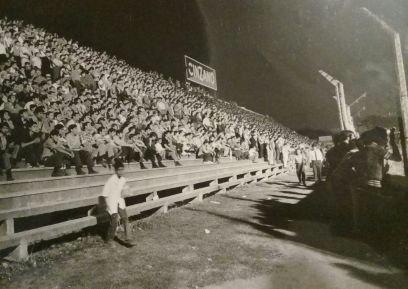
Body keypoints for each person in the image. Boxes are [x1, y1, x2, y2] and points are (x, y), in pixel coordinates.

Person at [101, 159, 136, 247]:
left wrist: (128, 191)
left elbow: (124, 190)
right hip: (111, 203)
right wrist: (108, 207)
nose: (121, 171)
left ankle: (129, 239)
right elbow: (104, 195)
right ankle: (108, 240)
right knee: (114, 222)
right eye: (119, 170)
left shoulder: (123, 179)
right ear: (116, 170)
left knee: (125, 219)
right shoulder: (111, 180)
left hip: (120, 201)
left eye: (122, 169)